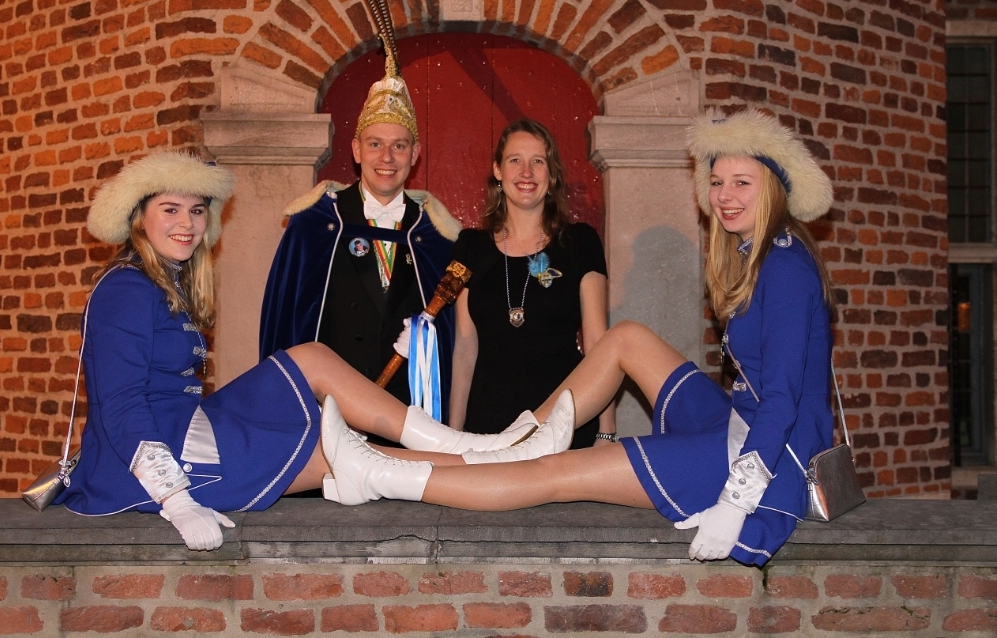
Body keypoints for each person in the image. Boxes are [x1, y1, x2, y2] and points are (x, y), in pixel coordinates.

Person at [317, 108, 838, 566]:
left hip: (770, 453)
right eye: (718, 182)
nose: (725, 196)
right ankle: (506, 443)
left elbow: (784, 398)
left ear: (772, 188)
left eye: (742, 183)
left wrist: (737, 501)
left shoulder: (786, 267)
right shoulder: (763, 255)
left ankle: (382, 472)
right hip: (741, 420)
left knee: (556, 471)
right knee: (627, 338)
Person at [56, 150, 572, 551]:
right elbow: (120, 406)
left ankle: (476, 448)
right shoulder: (125, 289)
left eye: (195, 211)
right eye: (169, 210)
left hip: (188, 426)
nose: (187, 224)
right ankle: (494, 460)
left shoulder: (158, 281)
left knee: (311, 358)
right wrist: (175, 499)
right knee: (351, 455)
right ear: (138, 218)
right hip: (153, 465)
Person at [259, 45, 461, 410]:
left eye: (399, 146)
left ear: (415, 154)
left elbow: (454, 344)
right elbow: (284, 324)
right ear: (356, 150)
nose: (387, 158)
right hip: (330, 409)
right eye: (375, 144)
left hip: (408, 411)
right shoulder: (315, 226)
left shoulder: (434, 237)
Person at [448, 118, 615, 448]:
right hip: (488, 428)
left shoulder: (580, 243)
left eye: (538, 161)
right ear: (498, 170)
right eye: (515, 160)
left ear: (551, 175)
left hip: (564, 425)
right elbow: (465, 346)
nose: (526, 172)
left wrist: (606, 432)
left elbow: (599, 345)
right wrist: (452, 435)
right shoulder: (470, 247)